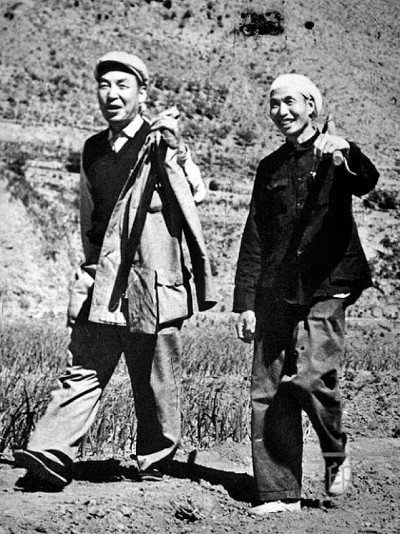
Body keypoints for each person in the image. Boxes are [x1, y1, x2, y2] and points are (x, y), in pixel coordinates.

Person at [14, 51, 216, 489]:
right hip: (103, 277)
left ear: (142, 93)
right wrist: (89, 269)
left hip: (151, 277)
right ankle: (51, 451)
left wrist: (178, 150)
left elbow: (196, 193)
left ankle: (155, 460)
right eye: (104, 86)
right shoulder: (93, 149)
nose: (112, 94)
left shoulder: (159, 141)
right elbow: (89, 216)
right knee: (84, 366)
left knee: (154, 374)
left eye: (123, 86)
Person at [233, 73, 379, 515]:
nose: (282, 111)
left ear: (311, 107)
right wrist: (245, 303)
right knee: (268, 388)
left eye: (290, 102)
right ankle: (280, 492)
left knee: (313, 375)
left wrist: (346, 150)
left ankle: (335, 451)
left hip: (329, 281)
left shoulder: (337, 154)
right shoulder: (270, 167)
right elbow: (255, 236)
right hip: (277, 287)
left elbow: (366, 181)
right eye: (274, 104)